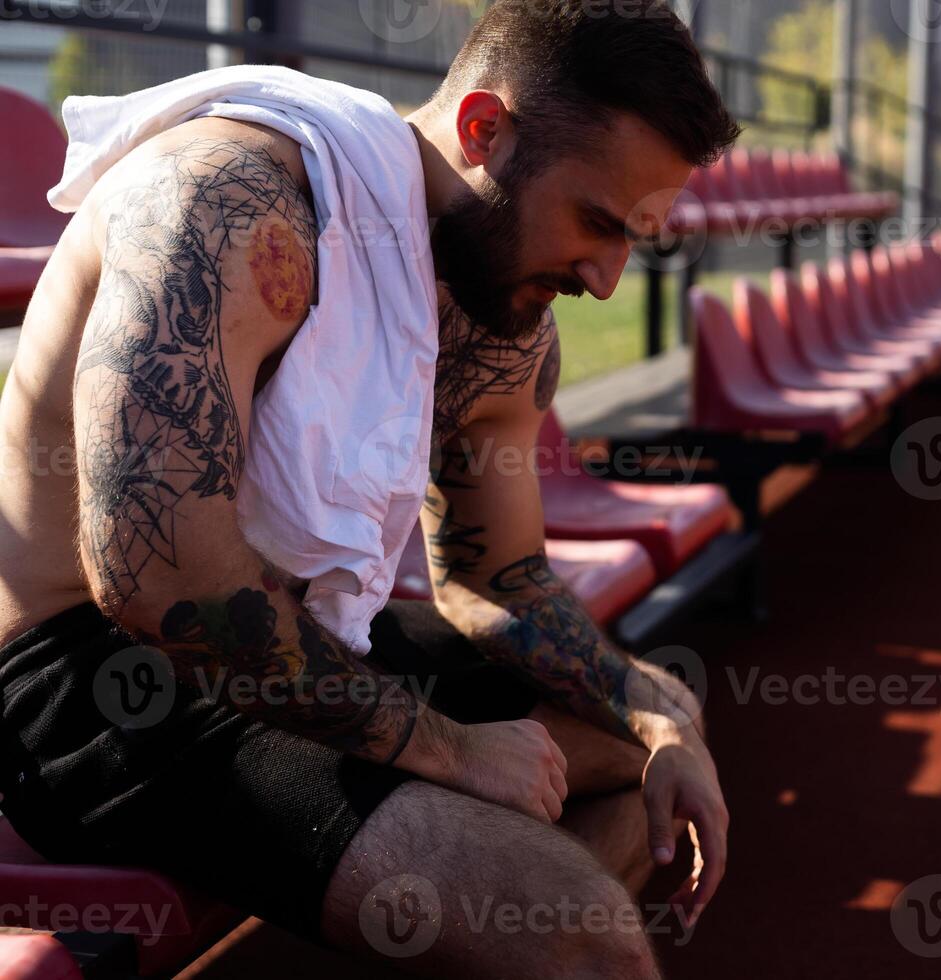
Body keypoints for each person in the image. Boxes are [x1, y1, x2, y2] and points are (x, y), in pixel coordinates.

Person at [0, 2, 740, 977]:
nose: (606, 280)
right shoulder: (226, 200)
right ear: (485, 130)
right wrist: (448, 749)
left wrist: (662, 715)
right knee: (583, 927)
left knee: (648, 757)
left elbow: (500, 582)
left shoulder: (502, 309)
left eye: (632, 242)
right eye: (597, 221)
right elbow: (156, 579)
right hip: (96, 676)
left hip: (309, 632)